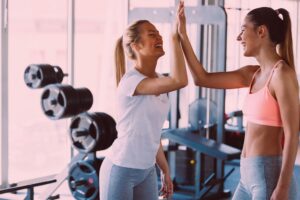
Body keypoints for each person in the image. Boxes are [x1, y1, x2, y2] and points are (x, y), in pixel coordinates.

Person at [177, 2, 298, 200]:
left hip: (269, 174)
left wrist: (282, 187)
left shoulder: (282, 74)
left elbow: (293, 134)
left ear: (261, 31)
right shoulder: (252, 74)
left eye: (243, 30)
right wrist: (183, 35)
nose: (238, 37)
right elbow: (202, 78)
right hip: (247, 174)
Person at [99, 3, 188, 200]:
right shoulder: (132, 81)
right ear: (136, 46)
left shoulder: (159, 80)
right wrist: (176, 37)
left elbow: (152, 134)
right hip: (121, 168)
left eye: (159, 33)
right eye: (151, 34)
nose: (159, 37)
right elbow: (180, 80)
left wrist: (165, 170)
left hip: (147, 170)